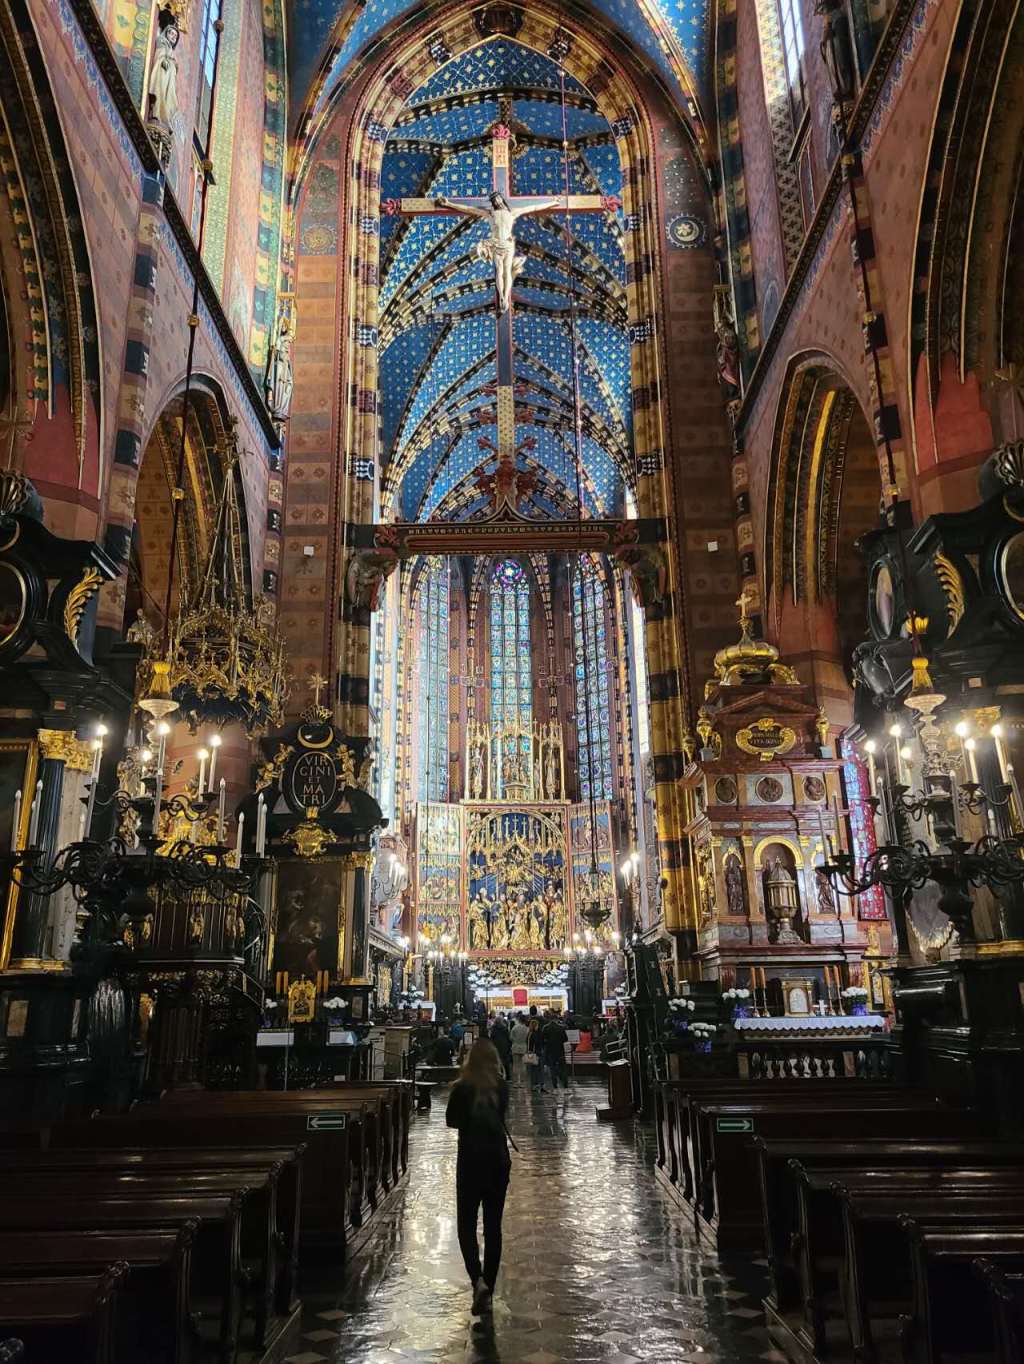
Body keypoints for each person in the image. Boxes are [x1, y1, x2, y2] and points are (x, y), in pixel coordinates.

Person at [445, 1039, 511, 1314]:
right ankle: (489, 1287)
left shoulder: (462, 1088)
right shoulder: (501, 1086)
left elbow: (451, 1120)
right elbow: (502, 1114)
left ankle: (477, 1280)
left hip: (471, 1160)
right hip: (497, 1160)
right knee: (493, 1227)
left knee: (467, 1224)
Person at [542, 1012, 569, 1090]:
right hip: (560, 1050)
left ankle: (555, 1085)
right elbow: (565, 1039)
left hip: (550, 1050)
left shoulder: (546, 1028)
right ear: (556, 1019)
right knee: (563, 1068)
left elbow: (543, 1039)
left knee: (552, 1068)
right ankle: (565, 1083)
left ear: (550, 1019)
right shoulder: (562, 1028)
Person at [526, 1015, 545, 1092]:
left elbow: (528, 1043)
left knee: (533, 1070)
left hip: (532, 1053)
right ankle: (540, 1084)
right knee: (540, 1069)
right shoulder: (538, 1033)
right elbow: (540, 1042)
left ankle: (534, 1084)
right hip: (537, 1052)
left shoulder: (530, 1034)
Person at [490, 1013, 512, 1077]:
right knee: (506, 1062)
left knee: (497, 1061)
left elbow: (492, 1038)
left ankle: (499, 1075)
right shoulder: (505, 1028)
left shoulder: (493, 1029)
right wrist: (509, 1046)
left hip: (496, 1047)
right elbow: (508, 1038)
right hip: (505, 1046)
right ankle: (508, 1076)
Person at [510, 1013, 529, 1082]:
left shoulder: (515, 1028)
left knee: (515, 1065)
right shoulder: (527, 1029)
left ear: (519, 1020)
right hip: (524, 1047)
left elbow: (511, 1037)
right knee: (523, 1065)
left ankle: (516, 1081)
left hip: (515, 1047)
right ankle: (522, 1081)